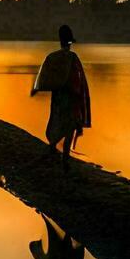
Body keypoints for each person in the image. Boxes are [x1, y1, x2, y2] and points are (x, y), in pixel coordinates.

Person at [30, 24, 91, 170]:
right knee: (69, 127)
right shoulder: (72, 58)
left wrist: (37, 89)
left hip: (58, 97)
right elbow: (78, 79)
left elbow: (44, 76)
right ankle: (63, 158)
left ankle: (54, 149)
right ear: (70, 43)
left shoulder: (52, 57)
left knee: (57, 121)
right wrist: (79, 94)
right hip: (70, 97)